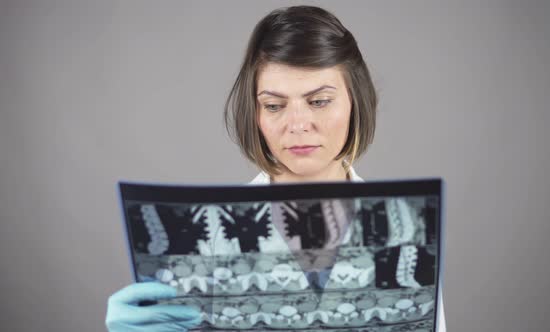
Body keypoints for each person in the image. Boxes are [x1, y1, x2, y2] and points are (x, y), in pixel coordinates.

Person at [106, 5, 446, 331]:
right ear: (255, 114)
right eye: (274, 105)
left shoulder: (408, 229)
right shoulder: (202, 237)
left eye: (318, 101)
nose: (297, 124)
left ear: (355, 100)